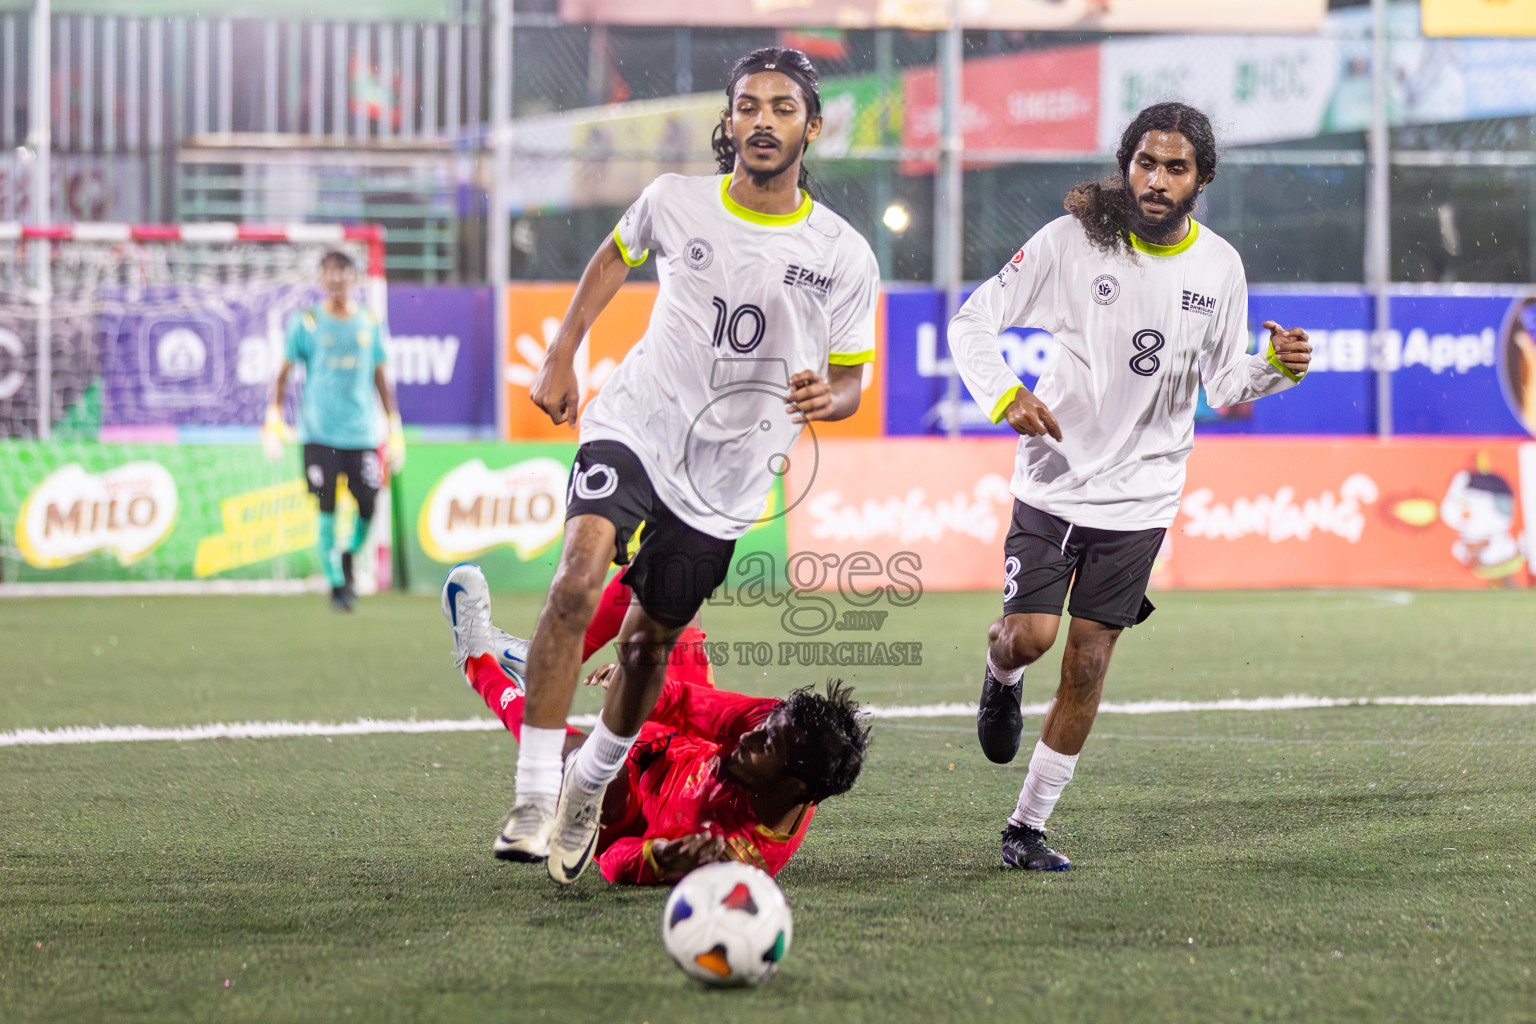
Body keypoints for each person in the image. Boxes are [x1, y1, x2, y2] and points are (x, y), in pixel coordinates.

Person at [509, 46, 881, 884]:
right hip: (637, 423)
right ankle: (533, 793)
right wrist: (562, 352)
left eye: (783, 108)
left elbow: (855, 379)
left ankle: (587, 784)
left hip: (729, 477)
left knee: (647, 650)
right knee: (575, 583)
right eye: (748, 105)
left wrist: (834, 396)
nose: (762, 121)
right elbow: (613, 256)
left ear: (811, 128)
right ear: (729, 120)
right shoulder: (674, 201)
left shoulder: (843, 254)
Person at [948, 102, 1313, 871]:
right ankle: (1000, 670)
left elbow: (1222, 384)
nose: (1156, 179)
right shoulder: (1071, 242)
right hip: (1053, 481)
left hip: (1143, 495)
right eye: (1145, 163)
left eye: (1175, 167)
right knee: (1031, 637)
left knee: (1088, 659)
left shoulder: (1220, 268)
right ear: (1126, 166)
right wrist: (1003, 393)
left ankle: (1026, 828)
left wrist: (1277, 369)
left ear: (1201, 178)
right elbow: (973, 322)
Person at [441, 562, 868, 884]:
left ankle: (478, 664)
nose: (752, 735)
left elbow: (613, 861)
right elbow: (686, 702)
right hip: (682, 739)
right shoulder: (777, 723)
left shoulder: (731, 855)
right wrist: (639, 686)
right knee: (671, 571)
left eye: (767, 746)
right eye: (766, 726)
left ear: (795, 788)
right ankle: (543, 654)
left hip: (632, 805)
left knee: (586, 773)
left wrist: (660, 859)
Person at [265, 250, 406, 612]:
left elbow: (380, 377)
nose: (336, 277)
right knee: (326, 506)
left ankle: (347, 555)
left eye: (342, 270)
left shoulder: (369, 322)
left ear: (353, 277)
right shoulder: (306, 322)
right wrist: (273, 418)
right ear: (321, 279)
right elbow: (282, 375)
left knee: (369, 506)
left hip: (360, 434)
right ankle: (336, 584)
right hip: (318, 433)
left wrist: (394, 426)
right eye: (328, 271)